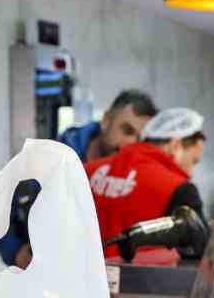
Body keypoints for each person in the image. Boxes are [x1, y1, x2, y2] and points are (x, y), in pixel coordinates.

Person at [86, 107, 206, 256]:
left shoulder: (87, 170)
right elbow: (203, 254)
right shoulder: (179, 188)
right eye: (194, 161)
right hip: (142, 278)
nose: (191, 172)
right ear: (175, 146)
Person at [59, 89, 157, 162]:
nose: (131, 143)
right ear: (106, 121)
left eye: (140, 140)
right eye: (127, 131)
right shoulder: (59, 153)